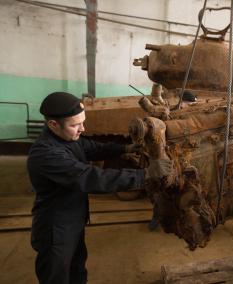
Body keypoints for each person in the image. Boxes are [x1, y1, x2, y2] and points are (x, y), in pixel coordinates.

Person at [27, 92, 171, 283]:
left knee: (77, 270)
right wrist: (145, 175)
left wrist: (125, 148)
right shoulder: (45, 154)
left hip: (73, 219)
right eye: (75, 125)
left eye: (82, 122)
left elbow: (91, 147)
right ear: (53, 124)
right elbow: (91, 177)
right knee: (57, 276)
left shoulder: (67, 138)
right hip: (56, 228)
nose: (82, 128)